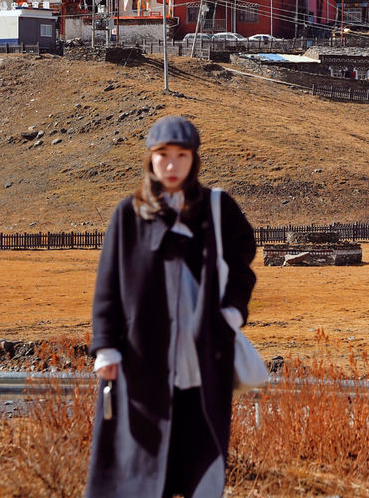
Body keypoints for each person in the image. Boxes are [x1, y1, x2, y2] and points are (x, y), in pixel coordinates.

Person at [86, 115, 257, 498]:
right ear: (150, 158)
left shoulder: (218, 209)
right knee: (142, 466)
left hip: (201, 360)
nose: (172, 164)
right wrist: (106, 347)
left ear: (194, 159)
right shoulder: (129, 214)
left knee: (200, 460)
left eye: (182, 155)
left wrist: (232, 313)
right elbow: (108, 285)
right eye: (163, 154)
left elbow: (242, 263)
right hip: (141, 360)